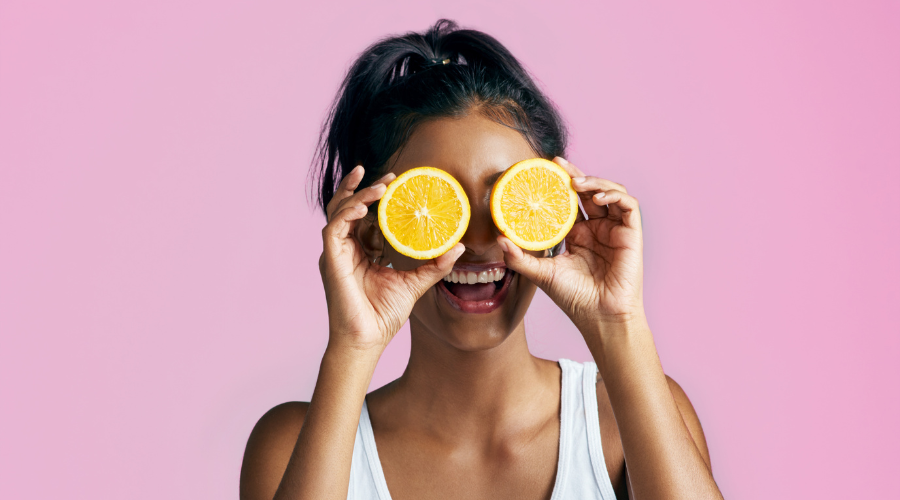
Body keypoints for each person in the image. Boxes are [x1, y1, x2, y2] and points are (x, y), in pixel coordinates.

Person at [240, 19, 723, 500]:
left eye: (504, 202)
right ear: (371, 234)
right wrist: (352, 346)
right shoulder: (289, 448)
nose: (475, 241)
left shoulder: (623, 424)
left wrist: (619, 324)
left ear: (552, 212)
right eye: (437, 207)